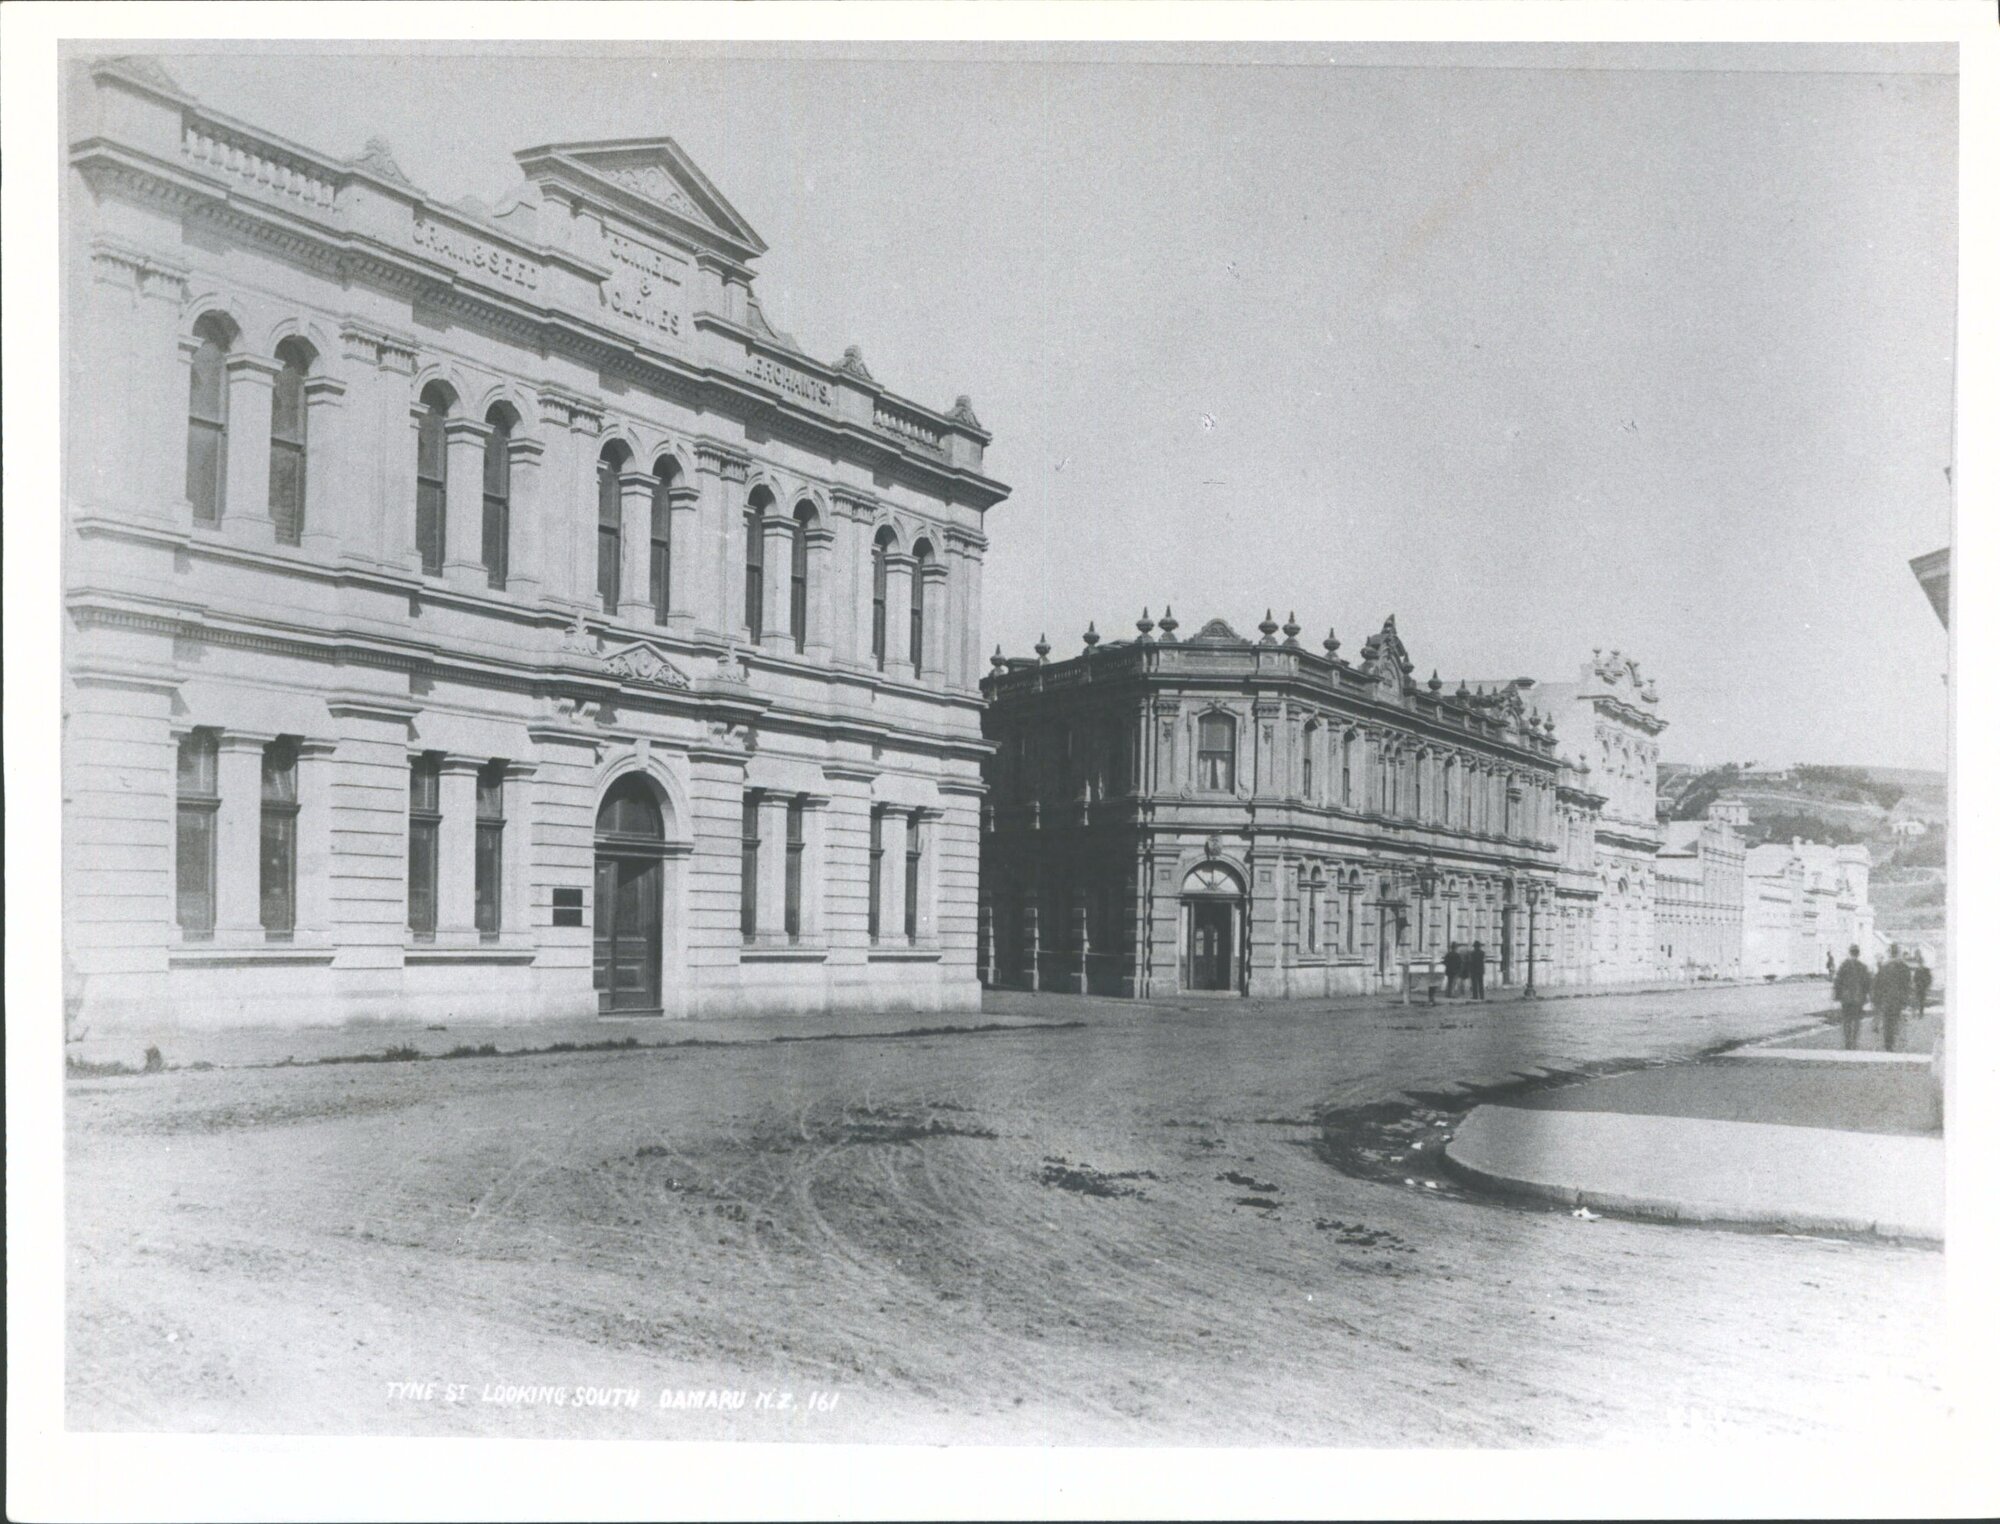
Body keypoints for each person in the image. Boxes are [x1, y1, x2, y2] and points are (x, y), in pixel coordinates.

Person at [1874, 943, 1912, 1054]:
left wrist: (1877, 999)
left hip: (1886, 999)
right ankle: (1895, 1043)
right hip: (1898, 999)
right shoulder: (1904, 967)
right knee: (1897, 1019)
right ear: (1898, 953)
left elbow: (1878, 984)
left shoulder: (1884, 967)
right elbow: (1907, 985)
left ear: (1890, 953)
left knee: (1887, 1021)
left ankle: (1888, 1044)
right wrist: (1906, 1000)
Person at [1832, 944, 1871, 1052]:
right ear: (1858, 953)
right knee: (1856, 1020)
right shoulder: (1862, 967)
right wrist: (1867, 996)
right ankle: (1854, 1041)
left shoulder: (1844, 965)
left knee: (1847, 1019)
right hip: (1858, 998)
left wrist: (1837, 996)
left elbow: (1838, 981)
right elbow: (1867, 982)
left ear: (1850, 952)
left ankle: (1847, 1041)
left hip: (1846, 998)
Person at [1912, 950, 1933, 1018]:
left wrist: (1927, 986)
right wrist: (1914, 984)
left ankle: (1921, 1013)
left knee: (1922, 1001)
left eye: (1921, 963)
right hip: (1917, 987)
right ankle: (1914, 1013)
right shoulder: (1917, 970)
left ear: (1923, 963)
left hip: (1923, 987)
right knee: (1916, 1000)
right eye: (1919, 963)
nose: (1920, 964)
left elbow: (1929, 979)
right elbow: (1914, 979)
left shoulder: (1926, 970)